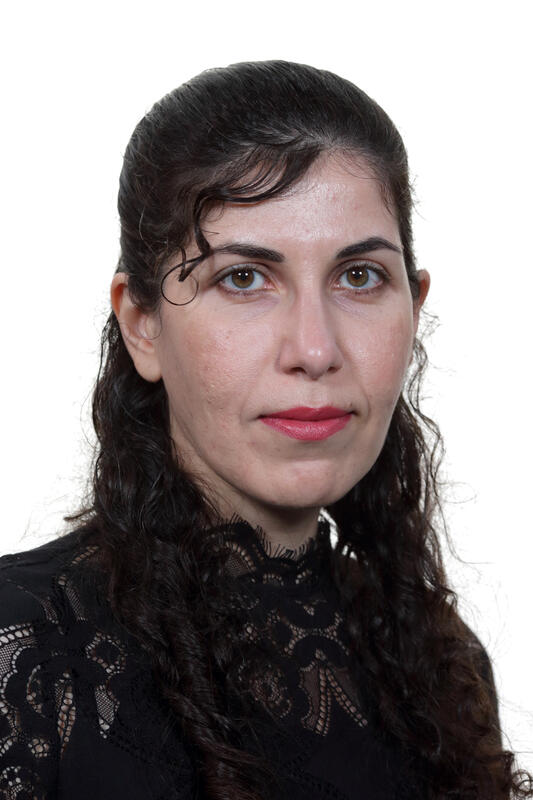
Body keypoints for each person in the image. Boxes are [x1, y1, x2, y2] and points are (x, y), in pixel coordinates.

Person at [0, 60, 530, 800]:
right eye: (242, 278)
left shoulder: (443, 663)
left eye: (359, 276)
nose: (314, 350)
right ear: (142, 324)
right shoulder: (24, 647)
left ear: (414, 306)